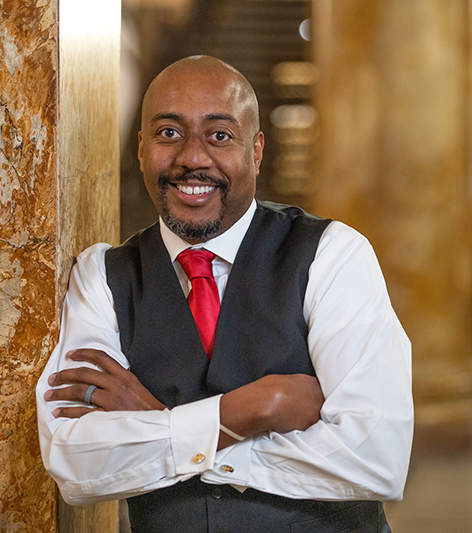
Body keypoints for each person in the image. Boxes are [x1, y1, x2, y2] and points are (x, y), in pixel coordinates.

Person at [36, 55, 413, 532]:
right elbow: (76, 464)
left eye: (219, 135)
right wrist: (256, 408)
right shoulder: (101, 276)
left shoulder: (332, 255)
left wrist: (163, 424)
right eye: (169, 133)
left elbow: (375, 459)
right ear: (140, 149)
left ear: (256, 151)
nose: (193, 157)